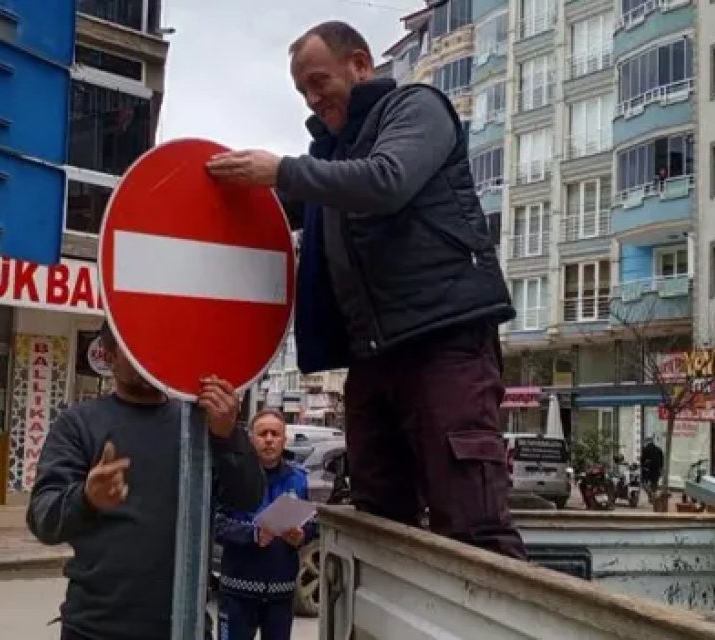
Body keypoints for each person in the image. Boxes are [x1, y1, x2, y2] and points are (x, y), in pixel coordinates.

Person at [205, 21, 524, 559]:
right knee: (379, 521)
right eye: (301, 90)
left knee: (473, 525)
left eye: (318, 80)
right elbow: (271, 216)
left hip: (444, 344)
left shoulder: (416, 108)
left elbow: (386, 180)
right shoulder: (331, 160)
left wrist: (281, 169)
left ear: (360, 63)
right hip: (372, 357)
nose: (312, 97)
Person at [26, 324, 265, 640]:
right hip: (95, 629)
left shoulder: (197, 424)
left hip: (184, 626)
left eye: (152, 344)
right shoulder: (79, 424)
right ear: (109, 356)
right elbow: (43, 518)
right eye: (132, 346)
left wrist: (228, 436)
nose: (145, 356)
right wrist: (86, 498)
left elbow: (248, 498)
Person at [215, 410, 317, 640]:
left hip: (281, 596)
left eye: (275, 434)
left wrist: (302, 535)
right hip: (238, 593)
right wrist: (252, 535)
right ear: (251, 438)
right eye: (262, 434)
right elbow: (216, 525)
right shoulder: (234, 477)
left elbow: (313, 525)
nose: (269, 439)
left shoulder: (298, 479)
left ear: (284, 439)